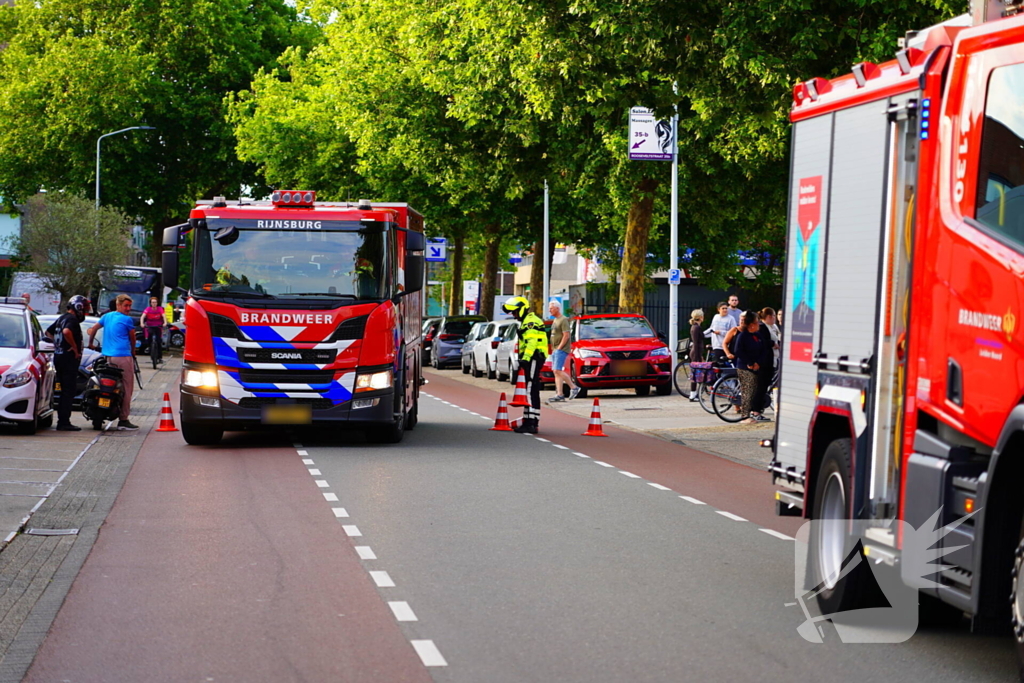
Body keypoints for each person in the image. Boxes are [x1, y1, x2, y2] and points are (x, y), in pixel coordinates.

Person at [87, 294, 139, 430]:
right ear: (118, 305)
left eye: (129, 306)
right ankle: (123, 418)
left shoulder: (106, 317)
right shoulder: (127, 320)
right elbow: (132, 337)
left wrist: (91, 343)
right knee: (127, 387)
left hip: (108, 356)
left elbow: (93, 329)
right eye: (126, 306)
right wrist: (133, 351)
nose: (128, 309)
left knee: (108, 382)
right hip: (123, 356)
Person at [502, 296, 547, 434]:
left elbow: (532, 342)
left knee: (530, 389)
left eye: (515, 312)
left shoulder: (531, 322)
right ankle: (530, 420)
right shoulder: (528, 321)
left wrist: (526, 358)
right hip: (533, 358)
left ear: (521, 309)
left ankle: (531, 423)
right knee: (531, 389)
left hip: (533, 358)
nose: (514, 315)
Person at [45, 295, 90, 431]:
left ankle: (63, 420)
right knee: (68, 391)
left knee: (64, 390)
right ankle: (64, 422)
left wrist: (58, 344)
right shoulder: (71, 320)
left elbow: (48, 332)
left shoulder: (62, 318)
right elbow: (66, 331)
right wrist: (74, 348)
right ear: (78, 307)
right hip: (68, 360)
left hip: (59, 357)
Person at [734, 311, 771, 424]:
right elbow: (738, 351)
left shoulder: (757, 335)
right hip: (745, 367)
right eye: (756, 322)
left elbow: (764, 350)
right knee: (748, 391)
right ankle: (745, 416)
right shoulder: (743, 335)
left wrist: (758, 362)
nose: (759, 324)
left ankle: (751, 412)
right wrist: (750, 362)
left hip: (756, 366)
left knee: (754, 390)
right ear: (751, 325)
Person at [547, 300, 580, 403]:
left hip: (560, 349)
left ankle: (574, 387)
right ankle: (559, 394)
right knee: (556, 372)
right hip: (555, 349)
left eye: (551, 308)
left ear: (557, 308)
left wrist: (559, 348)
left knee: (557, 370)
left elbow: (566, 335)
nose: (550, 310)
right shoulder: (555, 320)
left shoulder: (563, 320)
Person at [688, 309, 706, 401]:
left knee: (695, 373)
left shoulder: (695, 327)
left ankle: (694, 394)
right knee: (695, 374)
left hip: (696, 352)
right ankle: (693, 395)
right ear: (700, 317)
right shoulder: (696, 328)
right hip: (696, 353)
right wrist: (699, 357)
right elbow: (696, 342)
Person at [142, 296, 165, 363]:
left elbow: (163, 316)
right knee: (149, 339)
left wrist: (165, 323)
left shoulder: (160, 309)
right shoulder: (148, 309)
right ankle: (150, 349)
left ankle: (160, 357)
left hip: (158, 326)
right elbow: (143, 316)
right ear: (150, 303)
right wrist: (142, 323)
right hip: (150, 326)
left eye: (155, 302)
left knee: (158, 341)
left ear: (157, 303)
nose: (154, 304)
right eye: (152, 302)